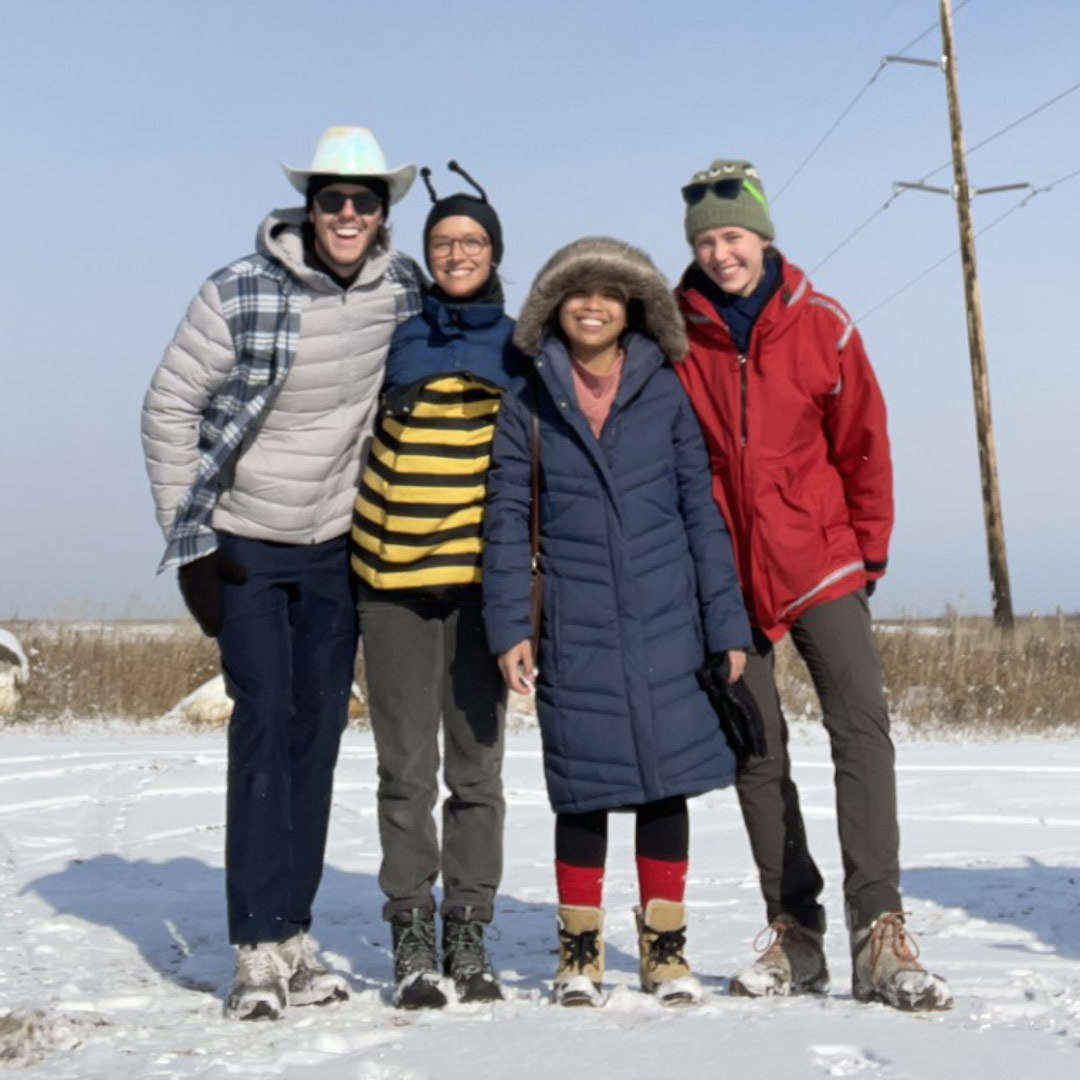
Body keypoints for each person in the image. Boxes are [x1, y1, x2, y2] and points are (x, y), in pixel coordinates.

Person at [141, 126, 423, 1020]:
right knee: (263, 725)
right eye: (332, 198)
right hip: (247, 542)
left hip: (337, 548)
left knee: (318, 733)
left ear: (384, 213)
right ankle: (255, 945)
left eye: (364, 200)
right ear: (310, 206)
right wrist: (192, 547)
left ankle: (295, 931)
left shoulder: (403, 292)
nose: (348, 213)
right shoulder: (240, 290)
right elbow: (167, 407)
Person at [673, 158, 952, 1011]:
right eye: (708, 240)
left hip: (821, 563)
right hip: (725, 576)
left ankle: (880, 931)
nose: (723, 254)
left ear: (764, 237)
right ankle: (795, 931)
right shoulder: (676, 336)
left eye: (735, 236)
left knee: (861, 733)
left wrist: (865, 557)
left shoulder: (822, 324)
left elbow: (864, 441)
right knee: (757, 750)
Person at [483, 237, 753, 1007]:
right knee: (584, 786)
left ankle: (665, 951)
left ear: (633, 306)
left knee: (665, 787)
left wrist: (724, 624)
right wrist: (510, 626)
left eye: (608, 293)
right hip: (578, 622)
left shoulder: (664, 391)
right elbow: (505, 517)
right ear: (553, 309)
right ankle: (579, 954)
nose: (592, 305)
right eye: (576, 294)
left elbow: (700, 511)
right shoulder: (528, 398)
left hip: (669, 618)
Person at [349, 162, 519, 1009]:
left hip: (483, 596)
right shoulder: (396, 337)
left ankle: (470, 932)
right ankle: (412, 927)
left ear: (495, 254)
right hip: (390, 587)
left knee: (477, 774)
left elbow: (534, 476)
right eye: (444, 241)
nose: (458, 253)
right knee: (405, 770)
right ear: (426, 253)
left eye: (473, 241)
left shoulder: (523, 347)